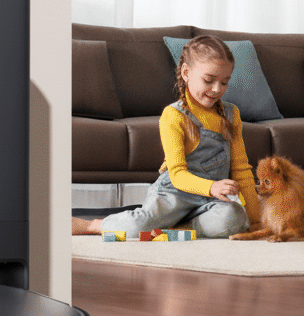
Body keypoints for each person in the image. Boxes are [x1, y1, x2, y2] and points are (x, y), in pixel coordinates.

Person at [73, 35, 259, 238]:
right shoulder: (173, 115)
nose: (217, 89)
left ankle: (181, 227)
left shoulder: (232, 114)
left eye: (224, 82)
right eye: (209, 80)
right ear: (186, 73)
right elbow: (177, 174)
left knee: (234, 218)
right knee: (137, 229)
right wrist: (211, 186)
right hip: (174, 194)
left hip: (211, 200)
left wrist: (256, 220)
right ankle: (92, 225)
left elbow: (241, 170)